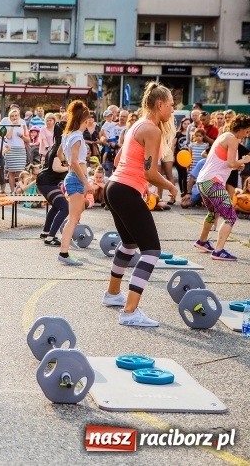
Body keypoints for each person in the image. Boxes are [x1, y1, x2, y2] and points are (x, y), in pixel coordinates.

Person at [104, 81, 178, 327]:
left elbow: (119, 160)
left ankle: (113, 294)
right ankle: (130, 311)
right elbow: (150, 172)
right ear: (160, 104)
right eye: (171, 105)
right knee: (151, 251)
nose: (173, 109)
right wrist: (170, 186)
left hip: (115, 187)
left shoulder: (136, 125)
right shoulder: (152, 130)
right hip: (124, 190)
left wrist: (142, 185)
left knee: (129, 245)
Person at [193, 114, 250, 260]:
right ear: (241, 128)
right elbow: (231, 163)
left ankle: (202, 241)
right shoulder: (232, 139)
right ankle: (218, 251)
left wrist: (238, 165)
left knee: (213, 213)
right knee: (230, 216)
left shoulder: (225, 136)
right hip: (212, 182)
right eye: (247, 131)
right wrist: (243, 160)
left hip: (203, 181)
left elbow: (226, 163)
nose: (246, 135)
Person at [58, 100, 94, 266]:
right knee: (73, 218)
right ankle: (64, 252)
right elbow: (73, 161)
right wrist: (86, 182)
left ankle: (67, 236)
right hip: (76, 178)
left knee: (76, 215)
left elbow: (60, 154)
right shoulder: (77, 136)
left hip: (73, 177)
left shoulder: (67, 135)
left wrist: (68, 163)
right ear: (84, 121)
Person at [36, 124, 68, 246]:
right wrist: (70, 168)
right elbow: (56, 168)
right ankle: (50, 238)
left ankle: (45, 232)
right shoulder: (59, 148)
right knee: (65, 207)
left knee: (56, 206)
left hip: (46, 181)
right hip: (47, 182)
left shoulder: (56, 146)